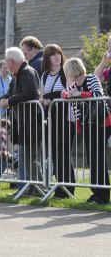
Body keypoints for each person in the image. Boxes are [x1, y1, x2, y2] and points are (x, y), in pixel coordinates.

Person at [62, 58, 110, 204]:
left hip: (100, 124)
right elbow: (64, 94)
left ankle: (102, 195)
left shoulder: (92, 79)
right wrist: (68, 94)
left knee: (98, 159)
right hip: (87, 125)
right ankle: (96, 192)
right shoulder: (76, 85)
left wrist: (80, 95)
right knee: (92, 159)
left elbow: (98, 95)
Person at [0, 47, 43, 196]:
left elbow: (29, 94)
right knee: (25, 157)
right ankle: (31, 189)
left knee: (31, 158)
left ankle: (40, 189)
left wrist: (9, 101)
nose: (6, 64)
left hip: (32, 122)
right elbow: (12, 93)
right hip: (23, 123)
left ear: (11, 61)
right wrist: (3, 98)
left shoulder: (28, 72)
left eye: (7, 62)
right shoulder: (17, 74)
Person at [39, 44, 75, 199]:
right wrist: (44, 100)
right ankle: (60, 189)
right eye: (53, 54)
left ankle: (68, 190)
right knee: (55, 155)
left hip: (66, 119)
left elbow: (68, 93)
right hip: (51, 119)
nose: (57, 57)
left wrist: (50, 98)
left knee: (64, 154)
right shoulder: (45, 75)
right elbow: (41, 96)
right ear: (47, 58)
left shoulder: (66, 72)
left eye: (58, 53)